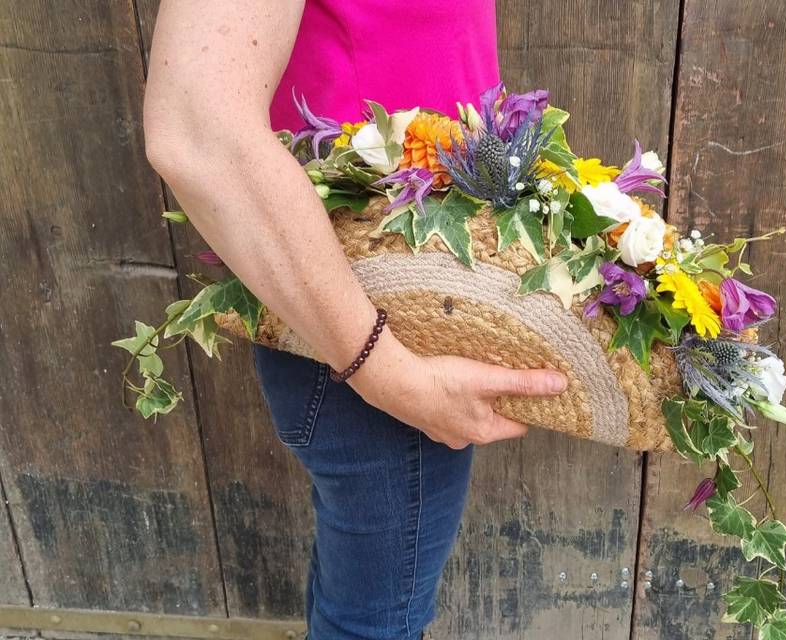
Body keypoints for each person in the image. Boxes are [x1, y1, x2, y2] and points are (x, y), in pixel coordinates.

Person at [143, 2, 568, 638]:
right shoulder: (380, 352)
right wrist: (388, 372)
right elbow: (194, 131)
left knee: (362, 611)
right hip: (370, 325)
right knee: (373, 624)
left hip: (404, 310)